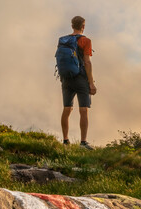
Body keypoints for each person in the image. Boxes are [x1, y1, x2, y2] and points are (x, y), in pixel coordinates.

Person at [60, 16, 97, 149]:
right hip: (80, 78)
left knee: (67, 108)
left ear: (72, 26)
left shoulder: (63, 40)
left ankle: (65, 141)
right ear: (83, 26)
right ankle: (83, 142)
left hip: (65, 78)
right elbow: (87, 62)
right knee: (83, 110)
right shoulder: (85, 40)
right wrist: (91, 83)